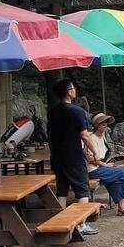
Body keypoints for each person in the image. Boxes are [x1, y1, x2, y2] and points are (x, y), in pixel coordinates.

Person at [47, 79, 98, 236]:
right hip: (74, 157)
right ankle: (81, 225)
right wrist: (94, 151)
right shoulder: (76, 111)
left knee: (62, 191)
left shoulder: (52, 111)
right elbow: (84, 135)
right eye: (73, 88)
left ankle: (61, 223)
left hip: (57, 156)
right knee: (83, 190)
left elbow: (50, 134)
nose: (75, 90)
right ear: (68, 92)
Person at [83, 113, 124, 216]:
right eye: (102, 122)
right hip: (92, 170)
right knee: (121, 171)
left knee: (116, 179)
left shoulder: (102, 136)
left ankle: (122, 209)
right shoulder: (91, 138)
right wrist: (105, 165)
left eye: (106, 122)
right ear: (96, 125)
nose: (105, 124)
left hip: (100, 166)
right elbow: (91, 159)